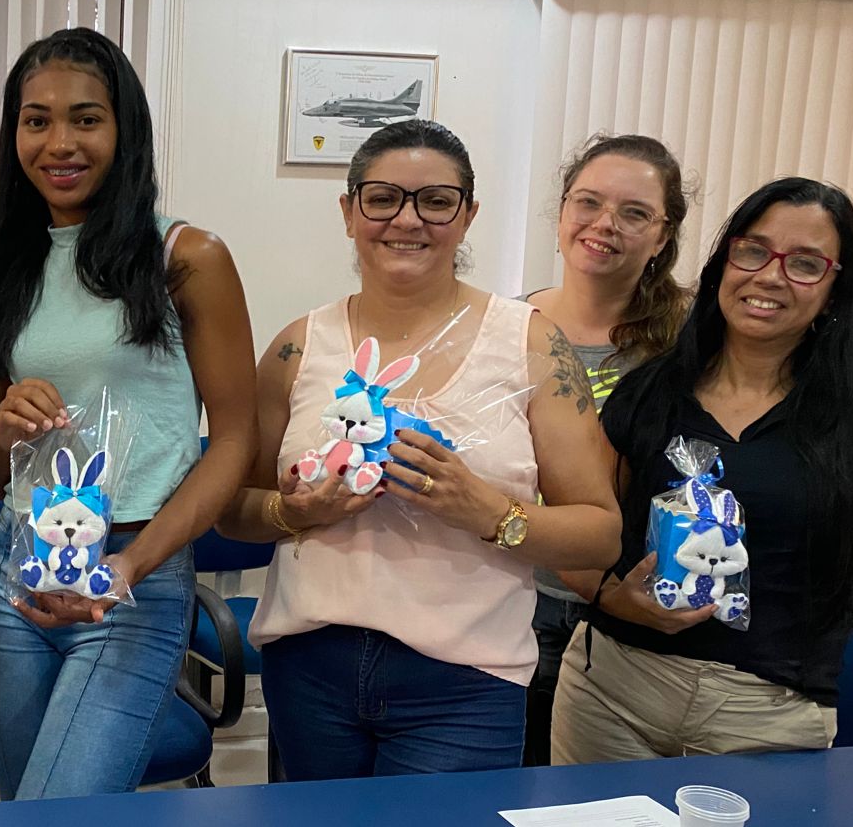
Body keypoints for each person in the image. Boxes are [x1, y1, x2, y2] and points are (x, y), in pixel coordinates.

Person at [216, 120, 621, 778]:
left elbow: (600, 535)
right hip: (309, 670)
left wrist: (489, 512)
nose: (408, 220)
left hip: (466, 683)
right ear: (349, 212)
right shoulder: (298, 347)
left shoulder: (531, 344)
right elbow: (232, 508)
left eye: (436, 201)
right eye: (382, 198)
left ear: (468, 216)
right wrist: (293, 512)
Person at [0, 27, 257, 799]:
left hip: (133, 571)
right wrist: (2, 432)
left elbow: (235, 440)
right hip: (16, 567)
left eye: (86, 118)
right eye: (37, 120)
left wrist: (133, 564)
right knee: (23, 806)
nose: (59, 142)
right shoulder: (15, 262)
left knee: (60, 806)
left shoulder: (187, 257)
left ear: (125, 130)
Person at [553, 177, 853, 763]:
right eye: (753, 250)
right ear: (724, 262)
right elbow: (581, 534)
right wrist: (615, 600)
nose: (770, 276)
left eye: (805, 264)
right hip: (611, 693)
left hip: (767, 716)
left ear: (834, 290)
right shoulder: (649, 388)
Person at [519, 134, 690, 765]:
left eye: (634, 212)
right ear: (563, 209)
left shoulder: (694, 341)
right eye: (588, 202)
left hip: (634, 617)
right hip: (518, 605)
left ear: (663, 235)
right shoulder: (510, 328)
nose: (604, 224)